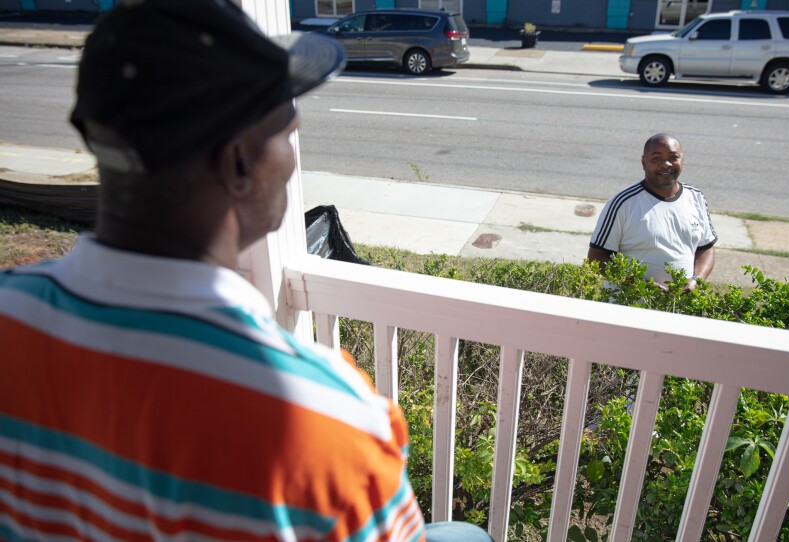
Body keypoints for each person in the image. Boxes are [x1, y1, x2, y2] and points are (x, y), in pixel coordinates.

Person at [0, 1, 491, 541]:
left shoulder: (11, 314)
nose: (292, 150)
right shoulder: (327, 421)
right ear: (238, 164)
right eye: (286, 129)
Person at [588, 133, 717, 293]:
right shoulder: (623, 203)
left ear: (682, 160)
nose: (666, 164)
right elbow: (597, 257)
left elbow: (706, 248)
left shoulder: (696, 197)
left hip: (680, 308)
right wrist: (638, 285)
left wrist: (697, 279)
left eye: (673, 157)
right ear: (644, 162)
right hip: (631, 309)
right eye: (657, 158)